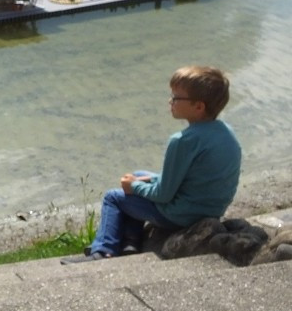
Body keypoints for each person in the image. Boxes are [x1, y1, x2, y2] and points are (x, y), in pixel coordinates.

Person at [62, 65, 242, 263]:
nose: (170, 101)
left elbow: (163, 194)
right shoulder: (225, 131)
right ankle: (131, 243)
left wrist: (134, 186)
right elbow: (191, 176)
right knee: (139, 174)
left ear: (198, 107)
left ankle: (103, 250)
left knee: (113, 197)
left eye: (176, 98)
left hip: (183, 215)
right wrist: (145, 179)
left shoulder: (182, 141)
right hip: (211, 210)